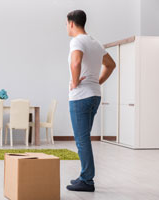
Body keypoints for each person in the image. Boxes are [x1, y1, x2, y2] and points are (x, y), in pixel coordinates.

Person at [65, 10, 116, 192]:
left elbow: (76, 62)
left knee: (82, 140)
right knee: (84, 138)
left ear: (71, 23)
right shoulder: (95, 42)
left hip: (81, 97)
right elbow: (111, 65)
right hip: (94, 95)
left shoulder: (77, 41)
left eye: (66, 24)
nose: (66, 27)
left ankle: (87, 180)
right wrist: (97, 81)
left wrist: (75, 81)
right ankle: (84, 176)